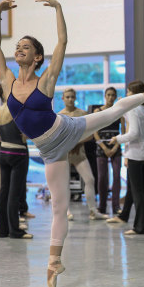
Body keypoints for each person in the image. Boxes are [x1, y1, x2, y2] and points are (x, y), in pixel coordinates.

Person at [0, 0, 144, 287]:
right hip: (49, 151)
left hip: (69, 129)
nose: (18, 48)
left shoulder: (45, 79)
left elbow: (62, 43)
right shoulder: (7, 80)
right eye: (17, 46)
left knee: (112, 111)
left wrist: (59, 8)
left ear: (37, 57)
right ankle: (53, 263)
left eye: (26, 46)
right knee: (60, 208)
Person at [107, 81, 144, 234]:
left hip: (136, 156)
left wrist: (118, 138)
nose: (127, 94)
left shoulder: (134, 110)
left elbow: (134, 134)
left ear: (134, 94)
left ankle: (140, 227)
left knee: (138, 193)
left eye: (129, 92)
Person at [58, 88, 109, 220]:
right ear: (63, 98)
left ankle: (93, 210)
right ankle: (66, 211)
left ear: (75, 98)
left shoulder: (82, 113)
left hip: (79, 153)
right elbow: (57, 137)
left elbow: (91, 134)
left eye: (72, 97)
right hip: (64, 154)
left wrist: (76, 143)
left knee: (90, 179)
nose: (70, 99)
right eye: (67, 97)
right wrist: (69, 144)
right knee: (64, 183)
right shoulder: (59, 116)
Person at [0, 86, 32, 239]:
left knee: (4, 191)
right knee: (14, 193)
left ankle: (3, 230)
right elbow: (28, 133)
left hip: (3, 153)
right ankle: (15, 230)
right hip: (18, 153)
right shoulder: (18, 110)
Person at [93, 87, 124, 216]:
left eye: (113, 95)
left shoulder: (119, 111)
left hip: (115, 146)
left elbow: (124, 131)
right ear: (105, 96)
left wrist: (116, 146)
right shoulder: (98, 111)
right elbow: (94, 130)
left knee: (117, 176)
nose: (111, 97)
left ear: (116, 97)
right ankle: (102, 206)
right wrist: (104, 147)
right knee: (102, 178)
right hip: (102, 147)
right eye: (109, 95)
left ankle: (116, 206)